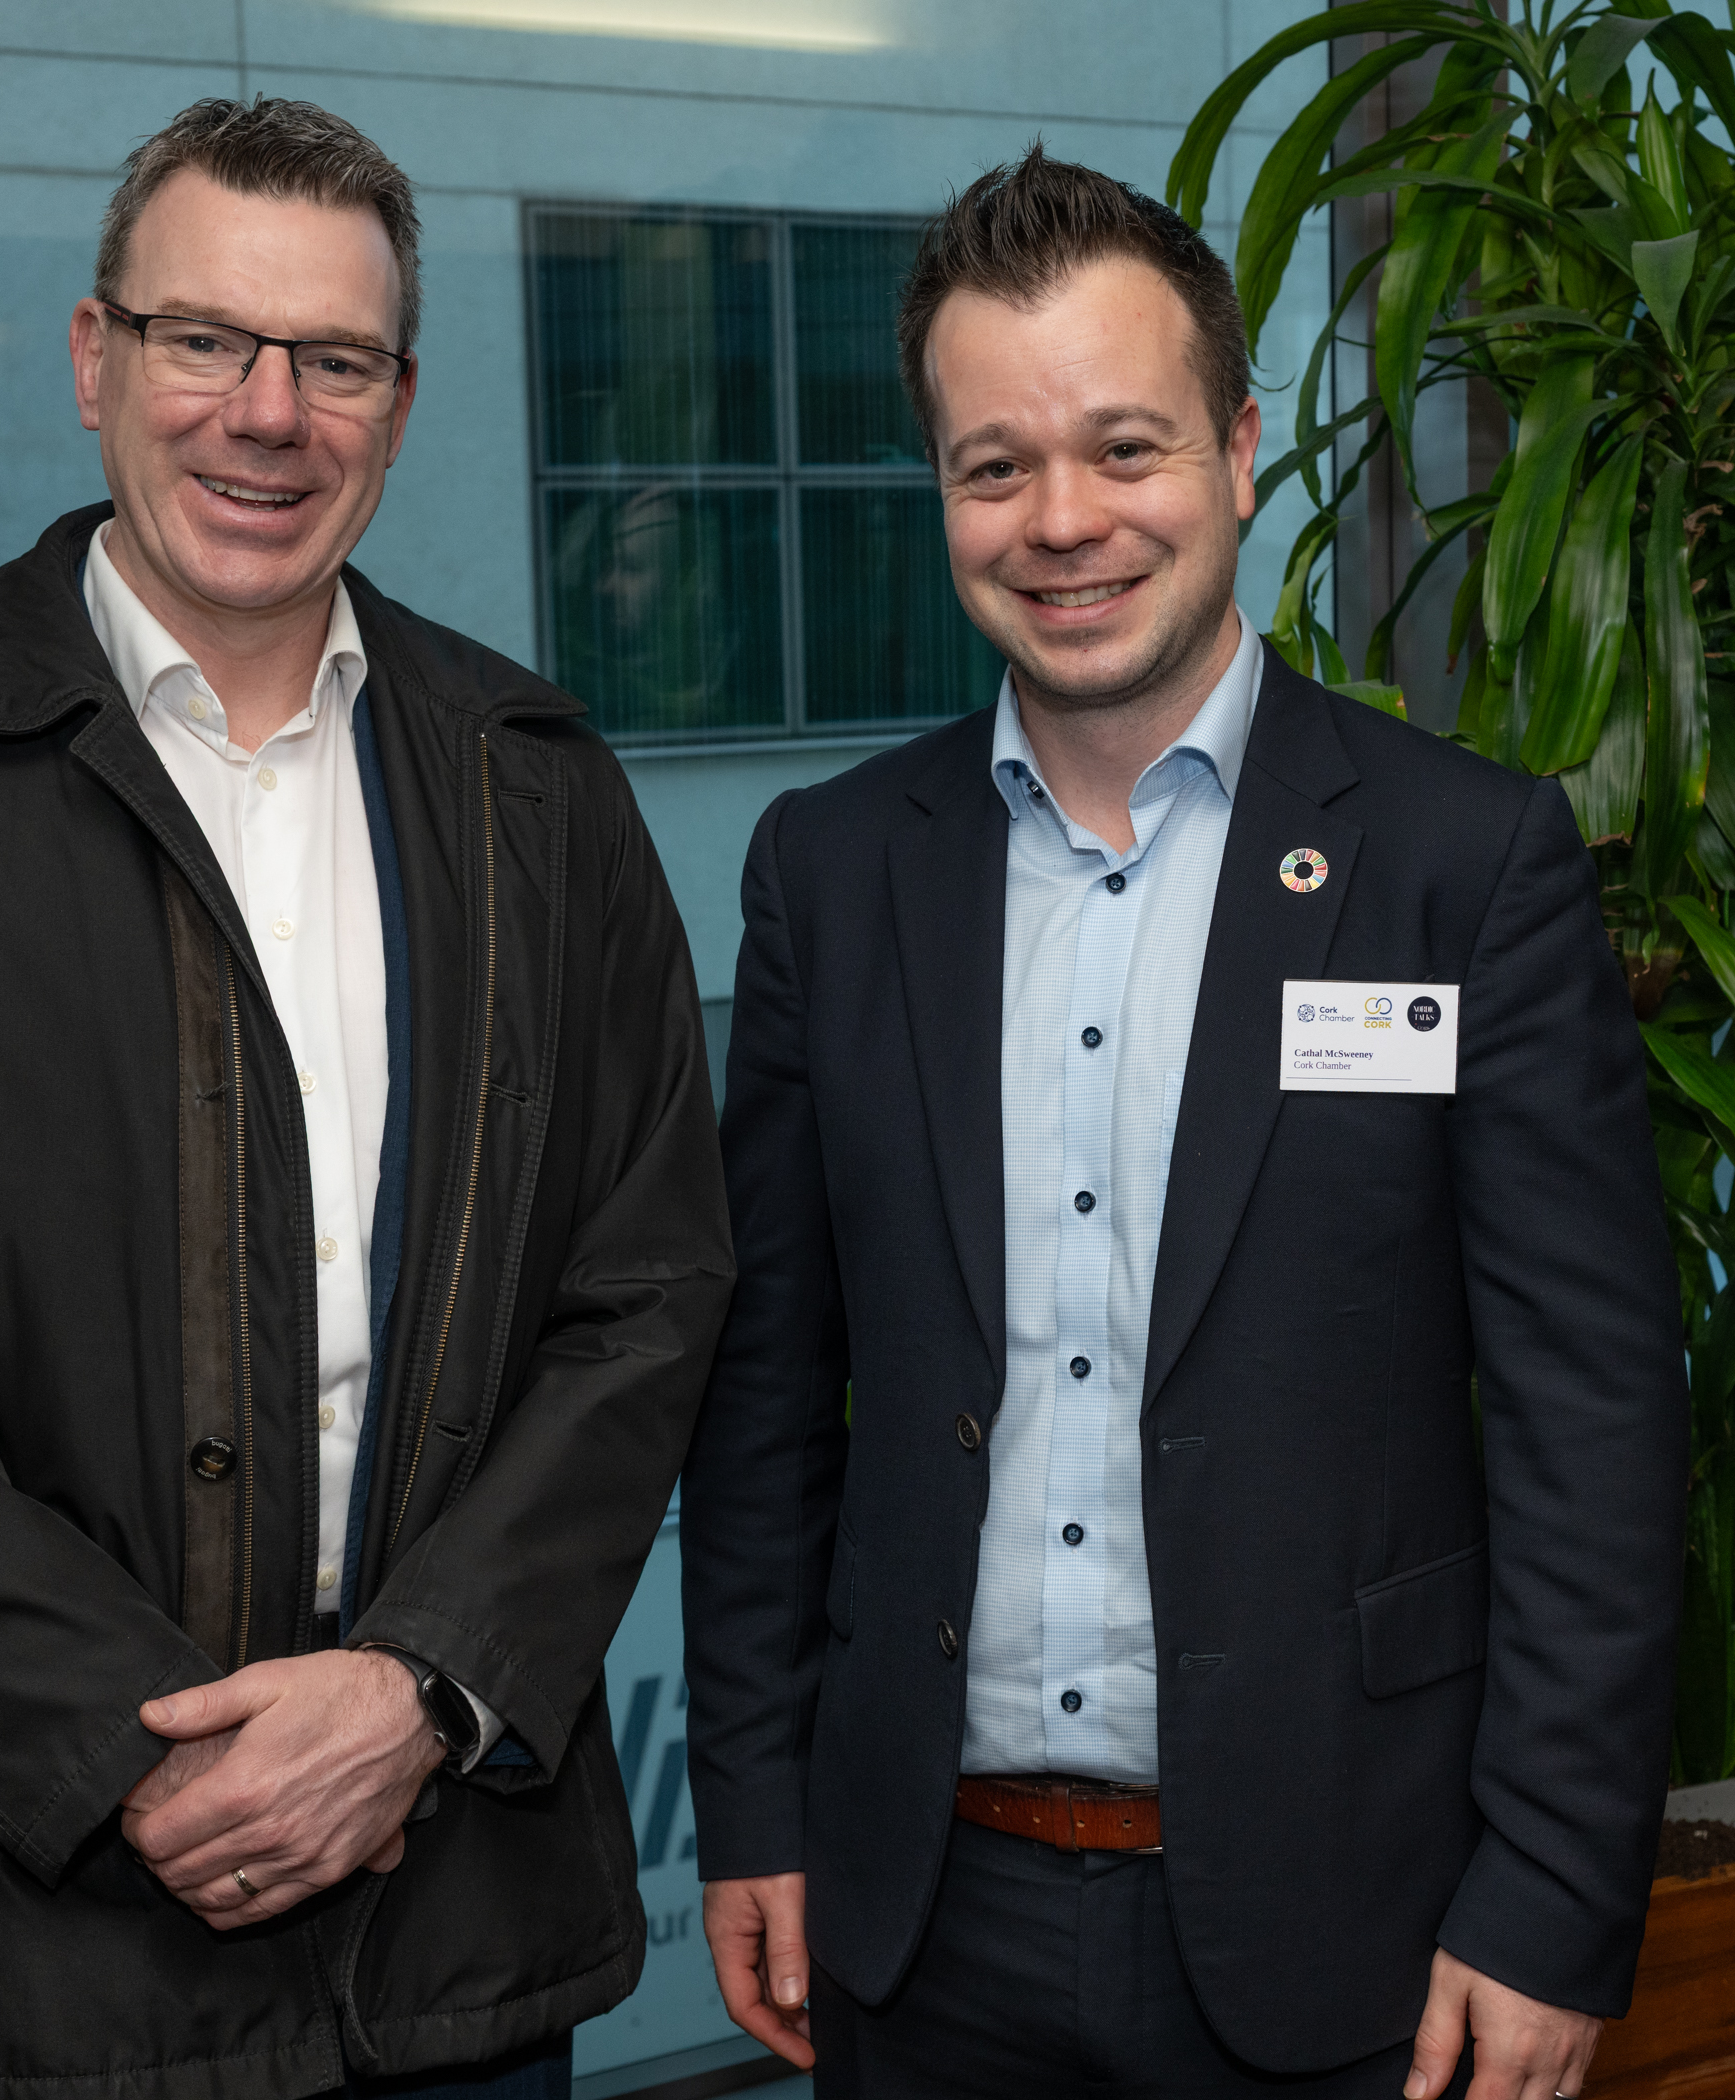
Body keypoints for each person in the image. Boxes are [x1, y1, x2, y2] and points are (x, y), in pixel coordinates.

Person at [0, 96, 731, 2100]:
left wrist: (418, 1691)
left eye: (334, 360)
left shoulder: (538, 791)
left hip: (451, 1934)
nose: (268, 413)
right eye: (206, 340)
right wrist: (147, 1753)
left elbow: (649, 1292)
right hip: (18, 1961)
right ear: (95, 359)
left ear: (398, 406)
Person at [679, 144, 1689, 2100]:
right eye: (995, 465)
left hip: (1365, 1924)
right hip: (923, 1922)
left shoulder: (1463, 867)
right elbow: (765, 1402)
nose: (1064, 520)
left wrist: (1555, 1894)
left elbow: (1593, 1426)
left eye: (1124, 448)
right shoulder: (831, 873)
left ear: (1234, 453)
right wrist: (757, 1805)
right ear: (942, 494)